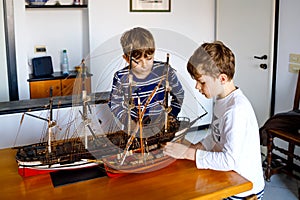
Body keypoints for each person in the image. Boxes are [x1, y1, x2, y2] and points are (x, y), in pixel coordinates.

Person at [163, 41, 265, 199]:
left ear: (222, 79)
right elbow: (215, 136)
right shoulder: (221, 100)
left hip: (243, 189)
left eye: (202, 82)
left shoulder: (236, 110)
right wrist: (196, 146)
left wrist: (188, 153)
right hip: (229, 178)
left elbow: (228, 161)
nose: (197, 87)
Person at [109, 27, 184, 133]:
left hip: (161, 126)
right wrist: (128, 121)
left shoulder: (164, 71)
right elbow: (114, 103)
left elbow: (179, 94)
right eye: (137, 61)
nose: (144, 65)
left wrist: (172, 115)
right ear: (126, 58)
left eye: (149, 58)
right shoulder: (121, 77)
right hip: (134, 129)